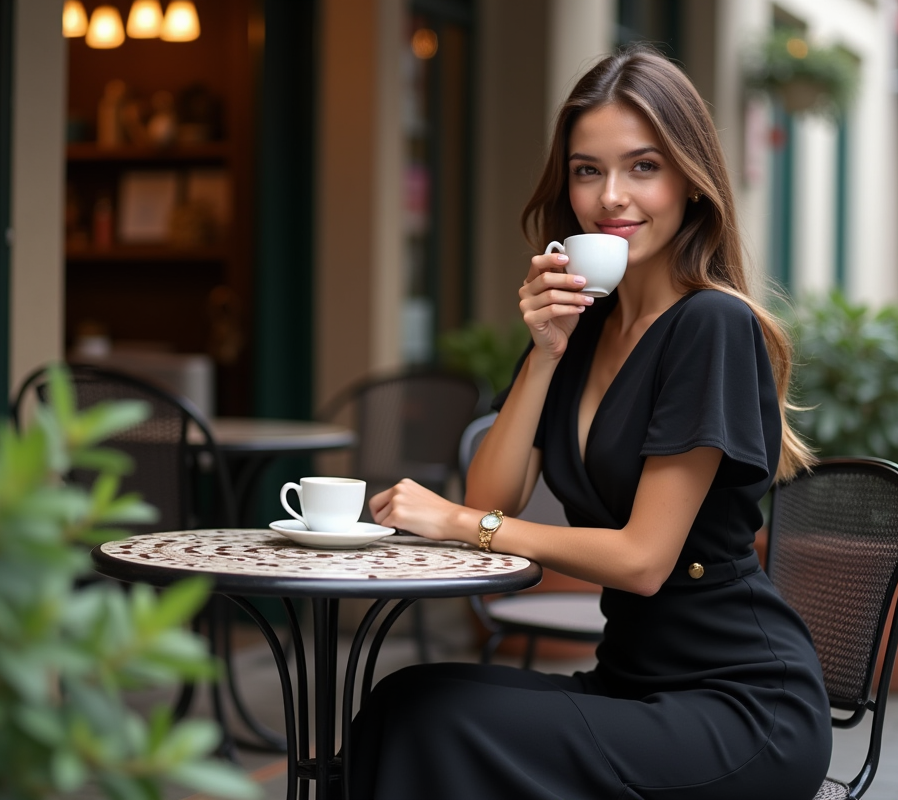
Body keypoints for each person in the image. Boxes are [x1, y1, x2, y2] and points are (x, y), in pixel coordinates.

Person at [349, 46, 832, 800]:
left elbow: (642, 559)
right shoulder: (581, 326)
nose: (612, 197)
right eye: (587, 170)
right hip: (634, 685)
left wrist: (455, 525)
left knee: (439, 725)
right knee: (400, 703)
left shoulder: (710, 326)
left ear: (691, 181)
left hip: (741, 710)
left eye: (644, 166)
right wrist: (543, 356)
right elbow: (495, 497)